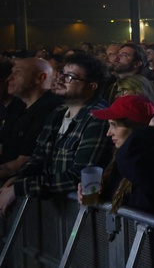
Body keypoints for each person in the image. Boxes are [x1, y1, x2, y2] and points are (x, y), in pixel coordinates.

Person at [0, 53, 112, 217]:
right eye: (61, 73)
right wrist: (20, 178)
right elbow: (39, 157)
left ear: (92, 86)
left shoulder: (97, 118)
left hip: (82, 216)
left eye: (69, 77)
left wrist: (21, 188)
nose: (59, 80)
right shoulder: (58, 113)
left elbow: (78, 176)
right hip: (58, 212)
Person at [78, 95, 154, 214]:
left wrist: (150, 130)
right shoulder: (117, 156)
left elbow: (130, 163)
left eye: (114, 125)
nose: (108, 133)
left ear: (136, 128)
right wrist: (92, 188)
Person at [0, 58, 63, 180]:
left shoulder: (50, 109)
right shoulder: (18, 105)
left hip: (25, 181)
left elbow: (23, 162)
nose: (9, 78)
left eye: (18, 72)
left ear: (40, 78)